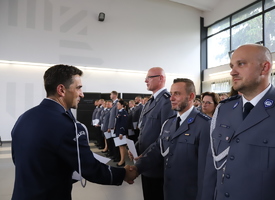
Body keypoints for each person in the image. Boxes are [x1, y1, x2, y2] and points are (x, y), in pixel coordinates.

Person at [11, 64, 136, 200]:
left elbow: (19, 159)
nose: (82, 94)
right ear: (61, 90)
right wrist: (123, 174)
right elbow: (90, 168)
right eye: (78, 88)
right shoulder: (68, 126)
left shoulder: (24, 118)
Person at [202, 44, 275, 200]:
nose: (232, 72)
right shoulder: (224, 109)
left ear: (264, 68)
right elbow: (212, 166)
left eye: (241, 64)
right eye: (232, 66)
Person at [130, 78, 211, 200]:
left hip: (190, 194)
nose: (171, 98)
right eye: (171, 94)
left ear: (191, 96)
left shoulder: (205, 125)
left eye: (177, 94)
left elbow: (207, 170)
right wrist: (137, 168)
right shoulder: (169, 123)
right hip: (169, 190)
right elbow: (157, 149)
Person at [135, 67, 175, 200]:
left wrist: (146, 156)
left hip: (156, 165)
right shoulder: (151, 102)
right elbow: (146, 130)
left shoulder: (166, 102)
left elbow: (166, 137)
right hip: (145, 161)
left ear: (161, 78)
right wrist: (135, 147)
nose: (145, 80)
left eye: (149, 77)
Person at [114, 99, 128, 167]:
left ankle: (122, 161)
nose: (117, 105)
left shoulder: (124, 112)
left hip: (121, 132)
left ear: (122, 105)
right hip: (118, 131)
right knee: (120, 146)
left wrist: (121, 133)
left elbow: (124, 124)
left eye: (118, 104)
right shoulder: (119, 112)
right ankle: (121, 160)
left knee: (122, 147)